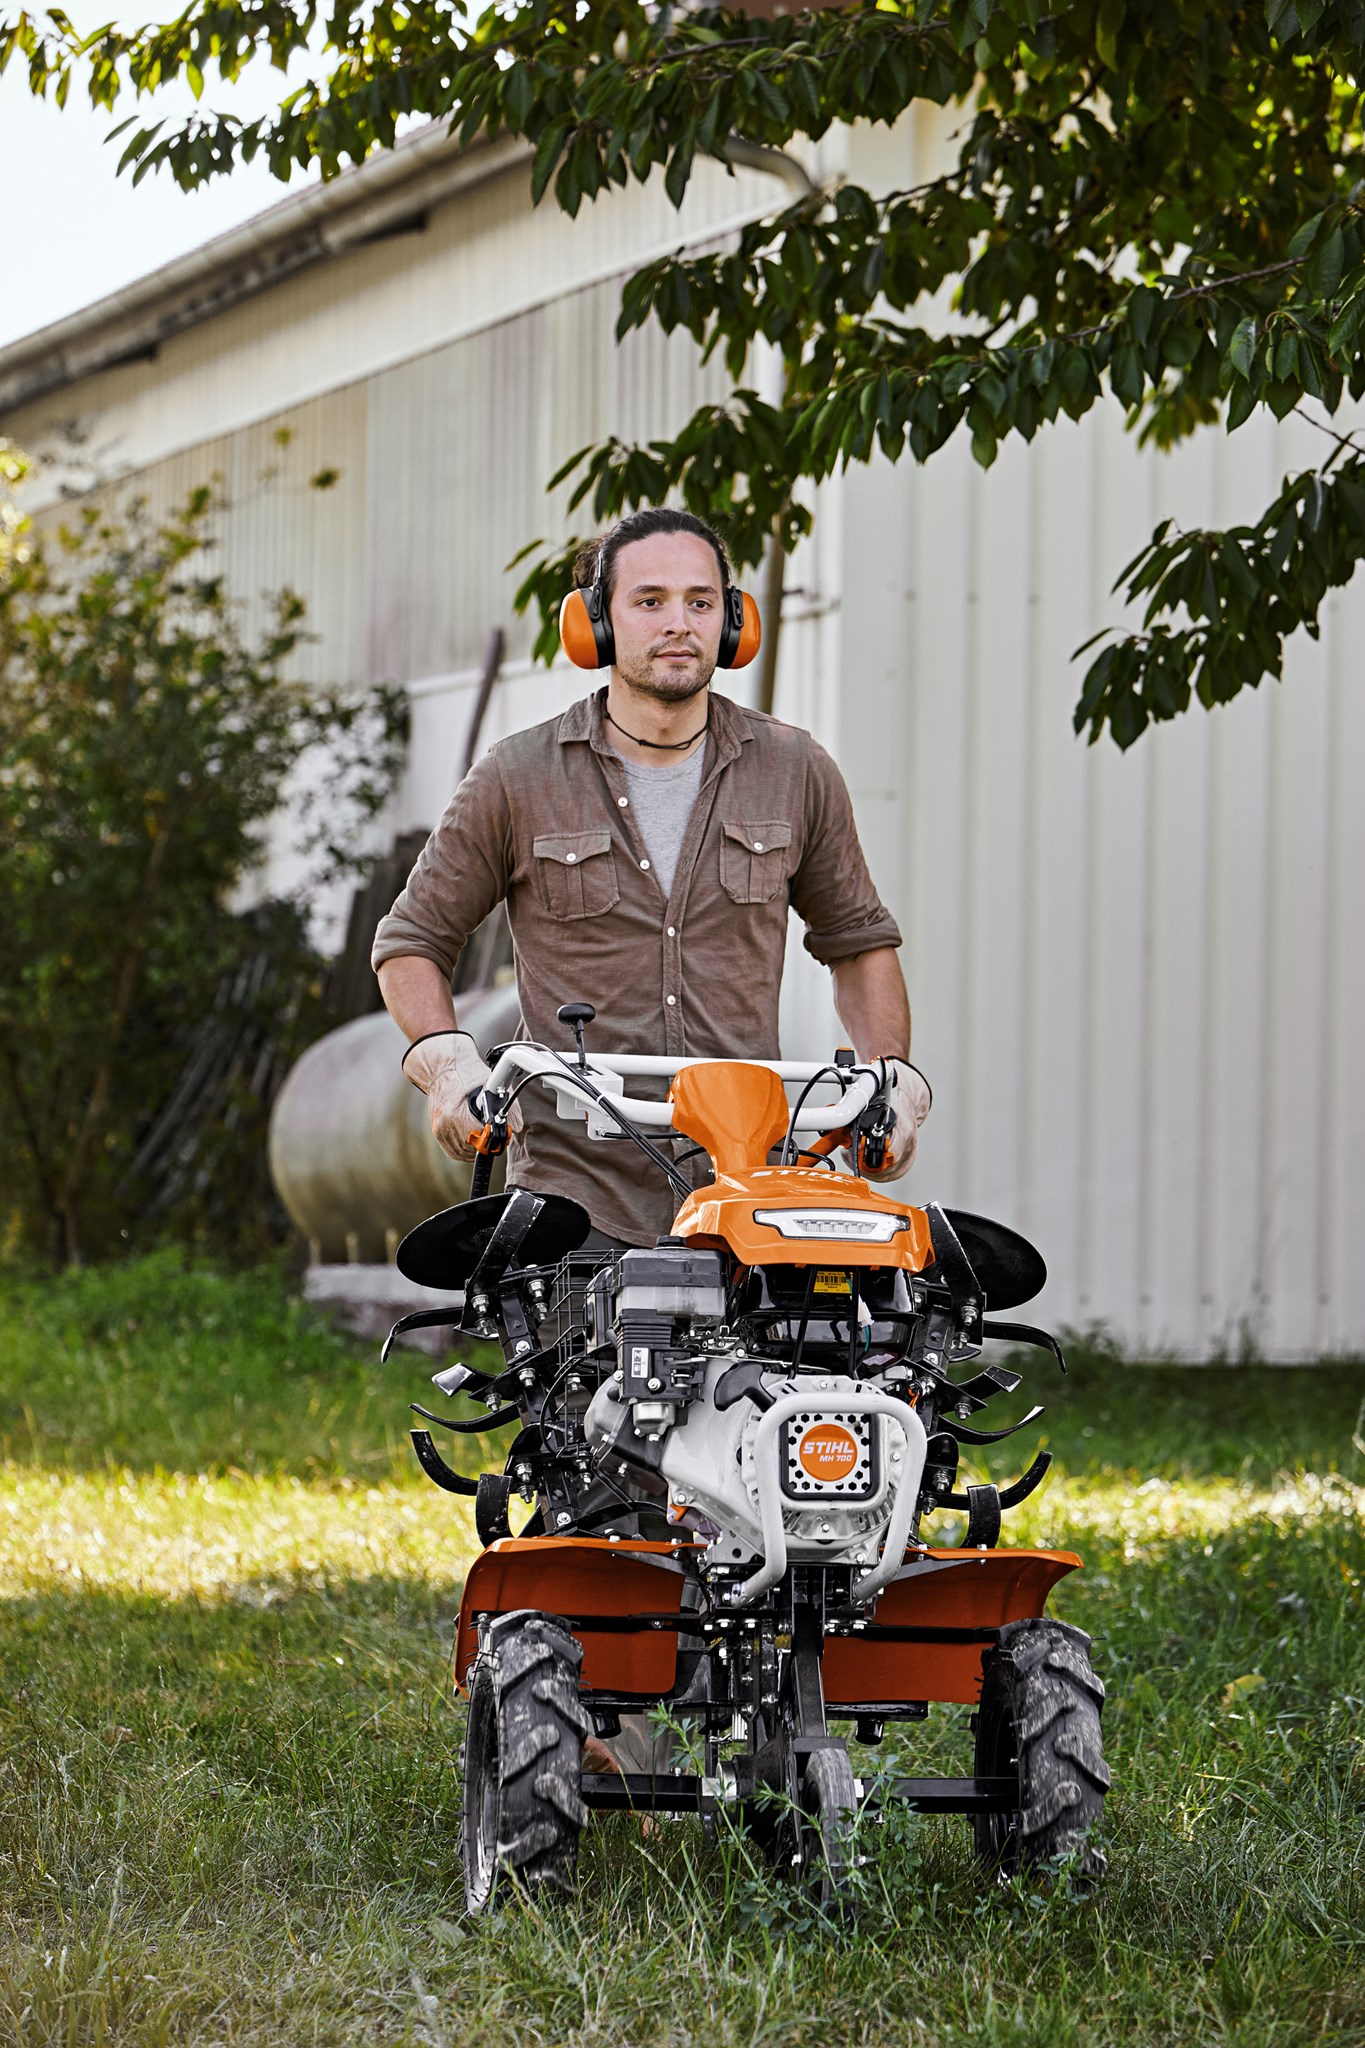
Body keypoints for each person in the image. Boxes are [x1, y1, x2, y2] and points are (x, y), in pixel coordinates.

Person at [372, 506, 930, 1240]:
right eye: (649, 601)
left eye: (700, 603)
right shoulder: (518, 777)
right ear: (595, 624)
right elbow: (412, 940)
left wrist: (892, 1077)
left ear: (733, 623)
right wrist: (446, 1062)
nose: (678, 624)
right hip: (575, 1195)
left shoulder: (795, 770)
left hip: (746, 1190)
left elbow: (857, 943)